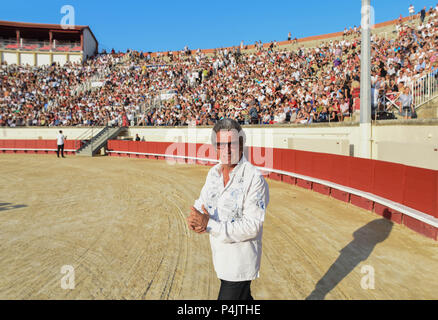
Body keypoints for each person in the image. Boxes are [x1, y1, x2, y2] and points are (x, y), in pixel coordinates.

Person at [187, 118, 269, 300]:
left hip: (240, 265)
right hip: (221, 260)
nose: (227, 150)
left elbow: (252, 226)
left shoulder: (254, 179)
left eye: (231, 144)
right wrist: (195, 220)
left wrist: (208, 224)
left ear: (241, 144)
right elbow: (201, 203)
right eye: (221, 145)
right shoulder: (213, 174)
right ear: (215, 147)